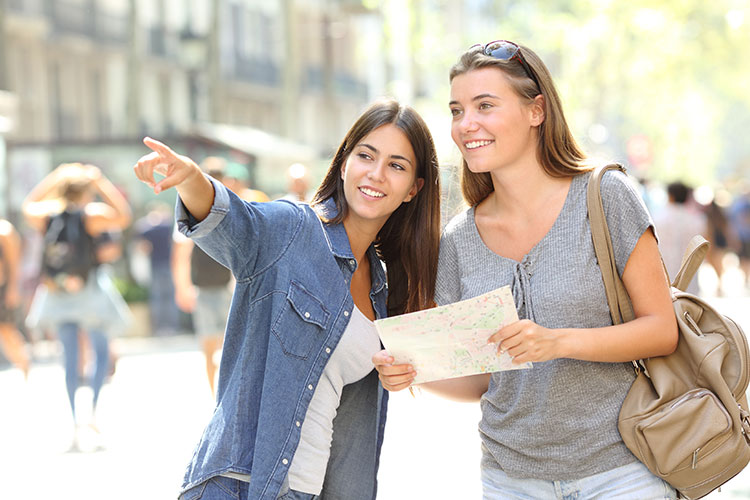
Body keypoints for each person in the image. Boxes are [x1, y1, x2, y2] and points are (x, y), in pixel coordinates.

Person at [374, 41, 679, 499]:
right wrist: (417, 371)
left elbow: (661, 331)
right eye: (457, 110)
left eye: (485, 106)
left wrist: (556, 341)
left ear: (536, 111)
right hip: (509, 480)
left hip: (622, 470)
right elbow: (484, 379)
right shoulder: (459, 240)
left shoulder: (605, 196)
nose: (465, 125)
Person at [132, 98, 441, 500]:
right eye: (366, 155)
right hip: (242, 485)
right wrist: (191, 177)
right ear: (344, 162)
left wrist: (399, 373)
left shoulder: (383, 287)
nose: (377, 174)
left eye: (397, 165)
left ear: (413, 189)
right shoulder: (292, 229)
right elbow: (235, 222)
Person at [22, 163, 131, 447]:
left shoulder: (47, 215)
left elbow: (27, 205)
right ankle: (92, 416)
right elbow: (123, 216)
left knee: (69, 359)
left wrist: (55, 177)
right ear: (86, 191)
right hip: (90, 293)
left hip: (57, 295)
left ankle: (74, 424)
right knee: (100, 352)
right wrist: (101, 181)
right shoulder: (91, 215)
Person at [171, 158, 238, 398]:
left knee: (217, 349)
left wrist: (183, 287)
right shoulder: (198, 209)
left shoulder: (228, 207)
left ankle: (219, 398)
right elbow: (181, 254)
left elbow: (180, 254)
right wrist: (183, 287)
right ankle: (218, 399)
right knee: (217, 348)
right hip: (214, 287)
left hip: (223, 287)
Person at [134, 200, 181, 335]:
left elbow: (142, 247)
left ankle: (160, 327)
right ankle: (172, 327)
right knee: (170, 297)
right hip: (170, 264)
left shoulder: (146, 228)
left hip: (155, 265)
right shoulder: (169, 226)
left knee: (157, 297)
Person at [653, 181, 707, 295]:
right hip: (689, 277)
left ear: (670, 196)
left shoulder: (657, 218)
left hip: (664, 275)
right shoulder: (698, 220)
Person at [0, 218, 30, 378]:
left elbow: (14, 263)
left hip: (3, 290)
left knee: (6, 331)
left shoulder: (4, 230)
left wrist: (13, 288)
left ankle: (24, 363)